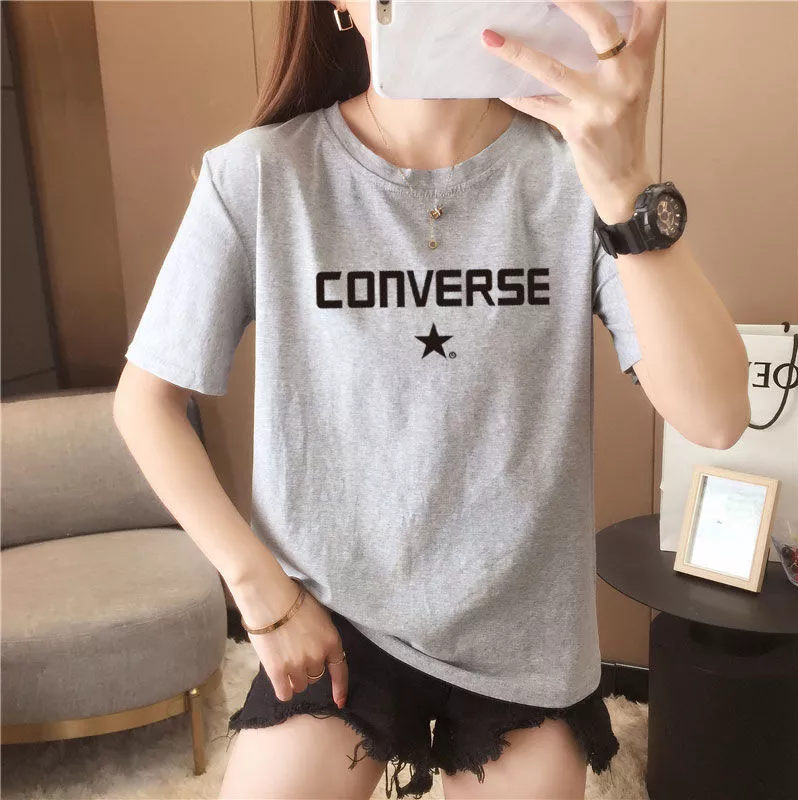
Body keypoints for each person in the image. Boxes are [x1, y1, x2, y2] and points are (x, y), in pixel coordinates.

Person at [116, 2, 649, 798]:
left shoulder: (576, 174)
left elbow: (715, 417)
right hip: (334, 615)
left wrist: (629, 181)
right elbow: (145, 404)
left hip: (523, 631)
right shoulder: (259, 173)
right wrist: (261, 593)